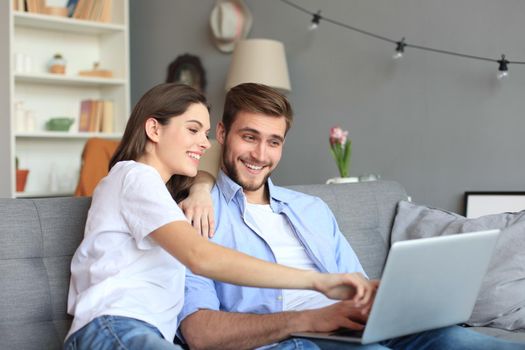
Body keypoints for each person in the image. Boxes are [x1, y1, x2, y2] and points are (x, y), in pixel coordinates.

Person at [178, 83, 525, 350]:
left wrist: (386, 301)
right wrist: (310, 319)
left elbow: (356, 284)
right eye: (249, 137)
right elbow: (199, 333)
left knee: (465, 343)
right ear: (222, 134)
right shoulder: (196, 214)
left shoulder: (310, 208)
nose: (260, 154)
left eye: (273, 142)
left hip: (351, 328)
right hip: (289, 339)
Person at [63, 83, 374, 350]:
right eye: (194, 130)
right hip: (114, 327)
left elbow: (208, 166)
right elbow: (201, 257)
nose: (203, 142)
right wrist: (318, 282)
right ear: (154, 128)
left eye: (207, 132)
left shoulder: (164, 197)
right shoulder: (135, 177)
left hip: (142, 331)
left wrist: (201, 184)